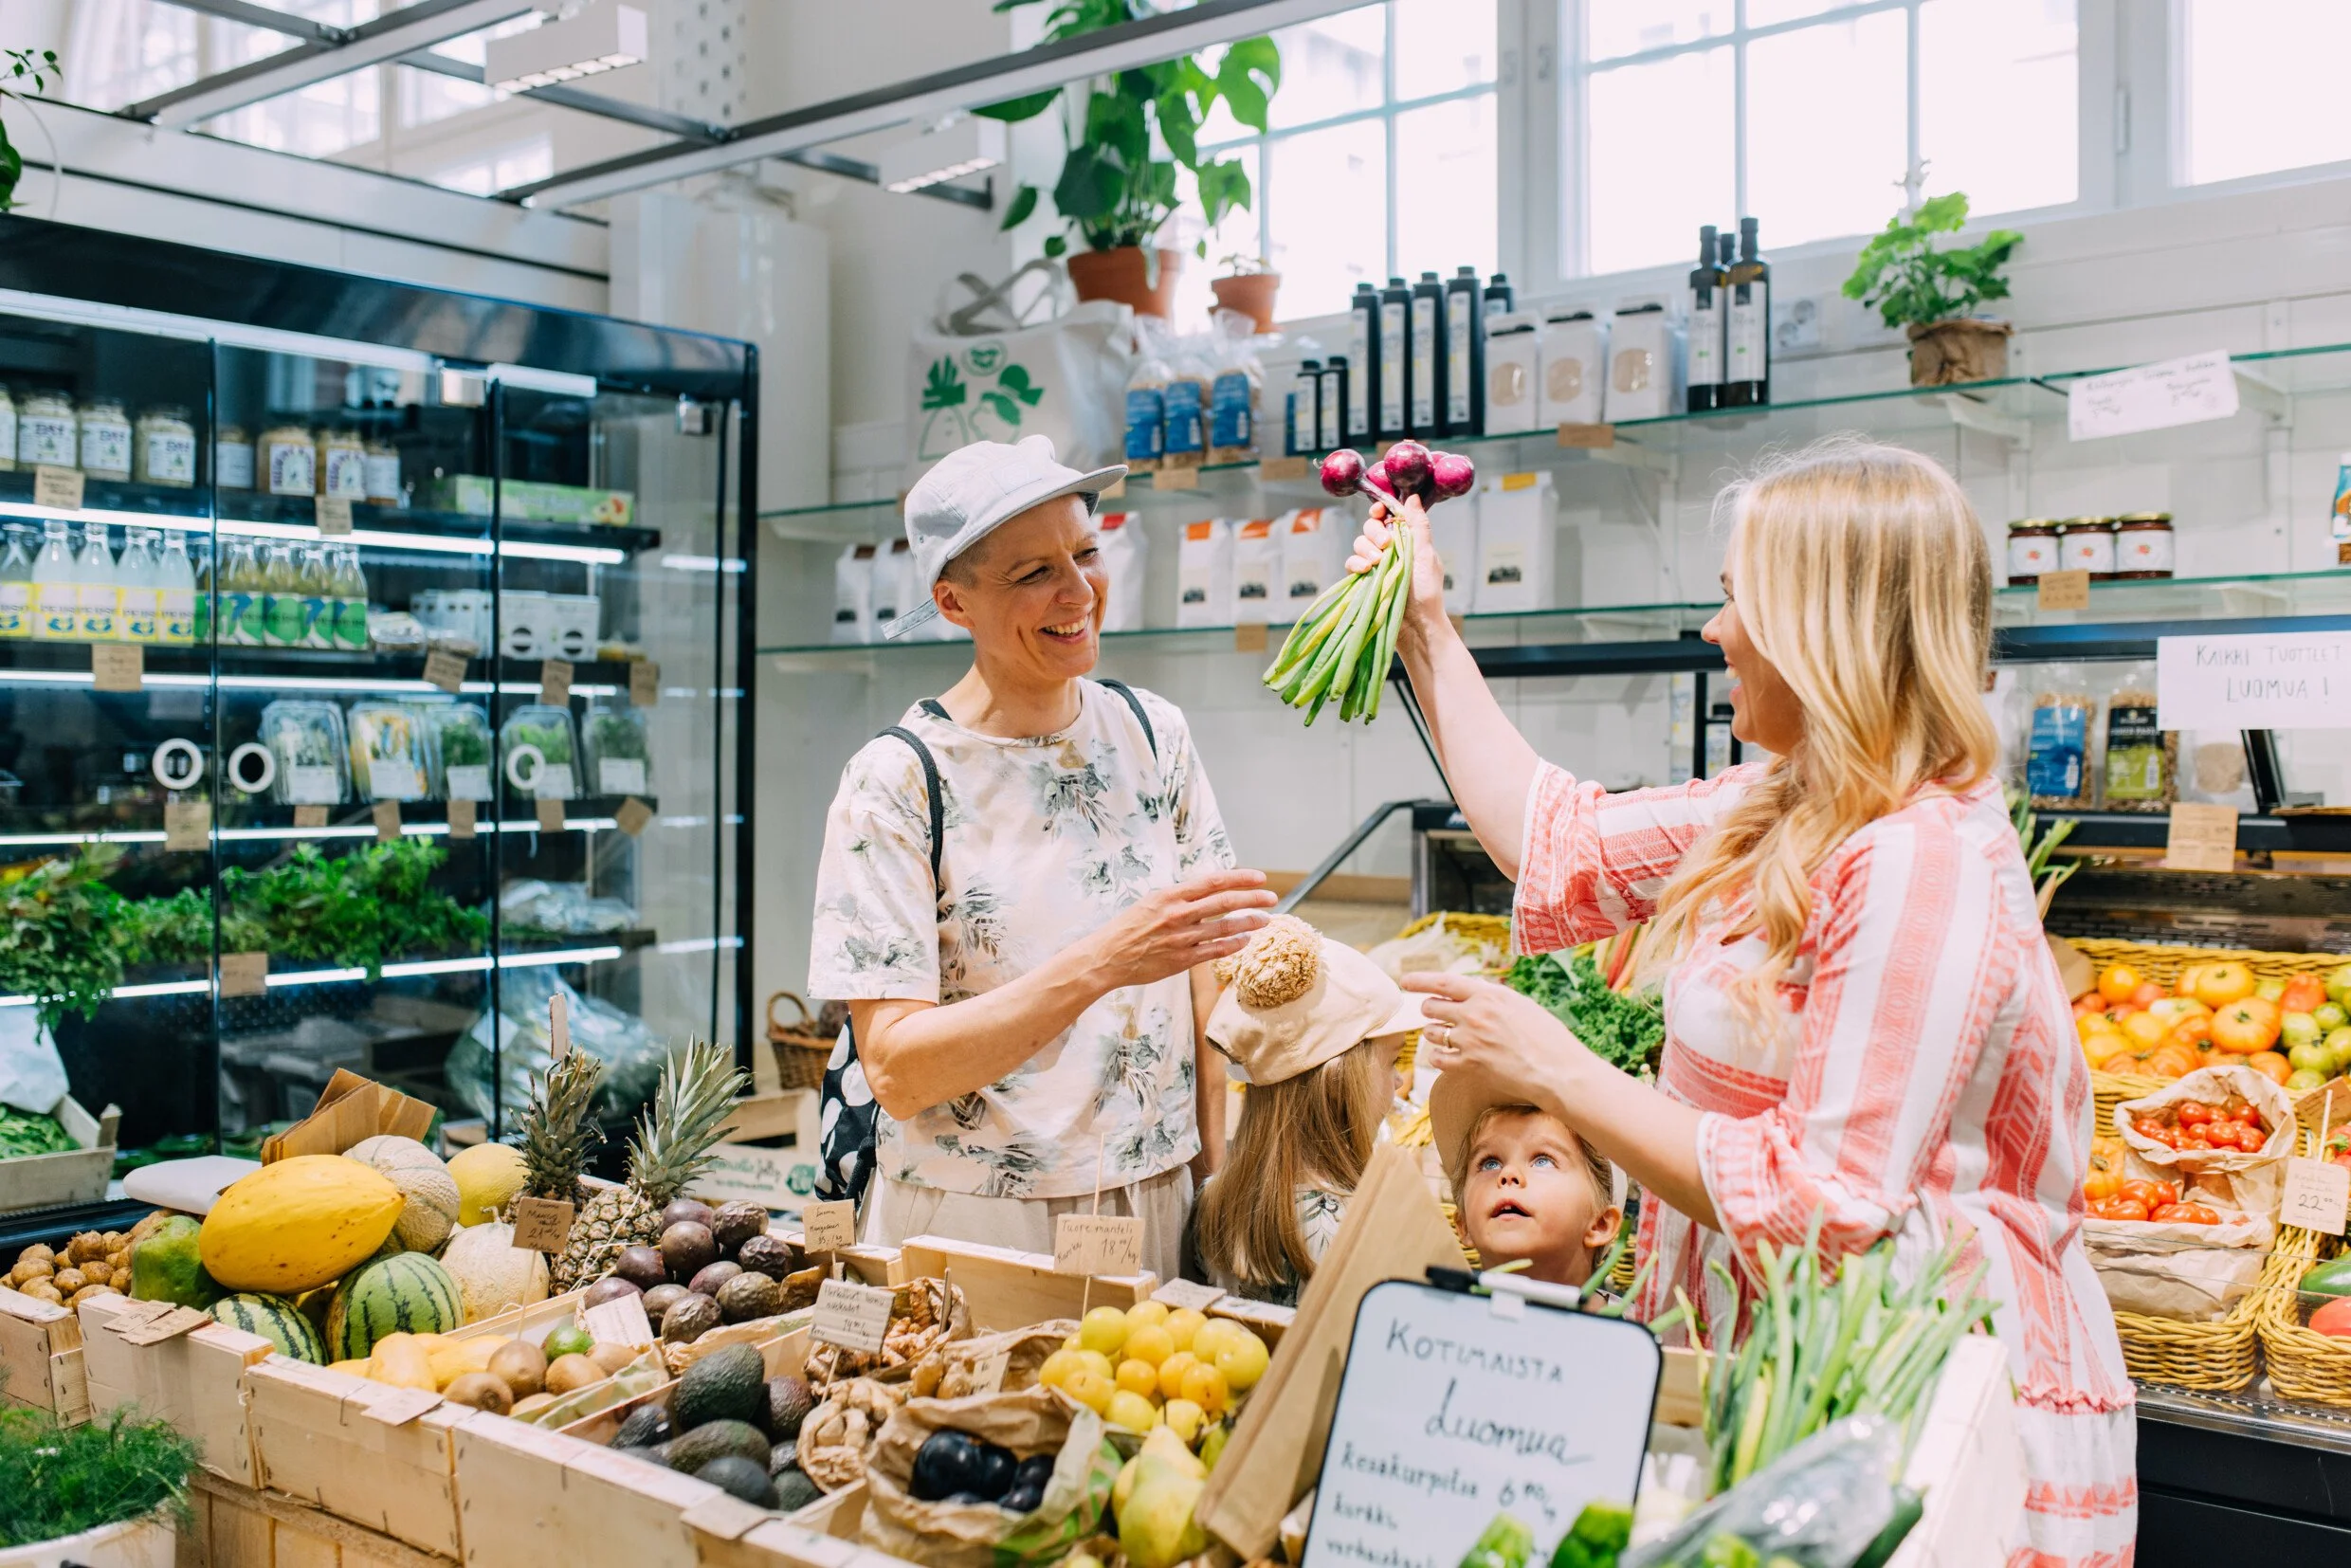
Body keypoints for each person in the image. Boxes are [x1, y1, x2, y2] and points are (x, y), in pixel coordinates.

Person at [1354, 437, 2133, 1566]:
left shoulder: (1918, 856)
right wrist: (1425, 625)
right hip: (1783, 1372)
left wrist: (1561, 1070)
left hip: (1910, 1406)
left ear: (1817, 627)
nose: (1712, 631)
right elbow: (1555, 843)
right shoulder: (1793, 799)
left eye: (1733, 599)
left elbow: (1826, 1200)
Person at [807, 436, 1276, 1282]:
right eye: (1033, 574)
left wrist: (1215, 1170)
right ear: (955, 603)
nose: (1079, 590)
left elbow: (1209, 975)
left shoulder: (1151, 733)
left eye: (1087, 553)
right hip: (976, 1222)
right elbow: (899, 1072)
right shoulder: (897, 782)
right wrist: (1104, 961)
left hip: (1157, 1193)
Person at [1190, 915, 1422, 1304]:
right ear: (1340, 1083)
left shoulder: (1213, 1200)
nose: (1398, 1081)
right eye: (1391, 1062)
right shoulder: (1359, 1229)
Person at [1430, 1070, 1622, 1290]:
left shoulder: (1629, 1325)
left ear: (1600, 1225)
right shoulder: (1439, 1321)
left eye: (1543, 1161)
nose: (1508, 1174)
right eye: (1490, 1163)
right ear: (1463, 1224)